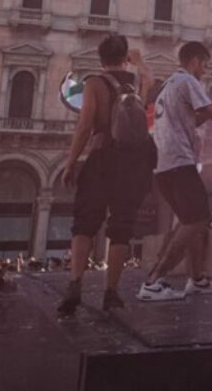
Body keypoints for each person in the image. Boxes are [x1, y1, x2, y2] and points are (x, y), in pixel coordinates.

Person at [56, 34, 155, 317]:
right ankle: (111, 292)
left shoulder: (95, 84)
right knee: (122, 226)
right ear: (124, 58)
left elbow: (85, 125)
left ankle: (75, 284)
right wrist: (139, 62)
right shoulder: (135, 83)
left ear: (101, 60)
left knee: (85, 222)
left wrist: (71, 162)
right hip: (132, 163)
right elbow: (150, 80)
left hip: (101, 158)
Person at [138, 42, 212, 302]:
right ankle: (153, 281)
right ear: (194, 61)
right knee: (197, 219)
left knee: (193, 220)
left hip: (165, 164)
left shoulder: (169, 86)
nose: (204, 70)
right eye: (204, 65)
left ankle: (197, 280)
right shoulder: (187, 81)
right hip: (179, 160)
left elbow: (195, 119)